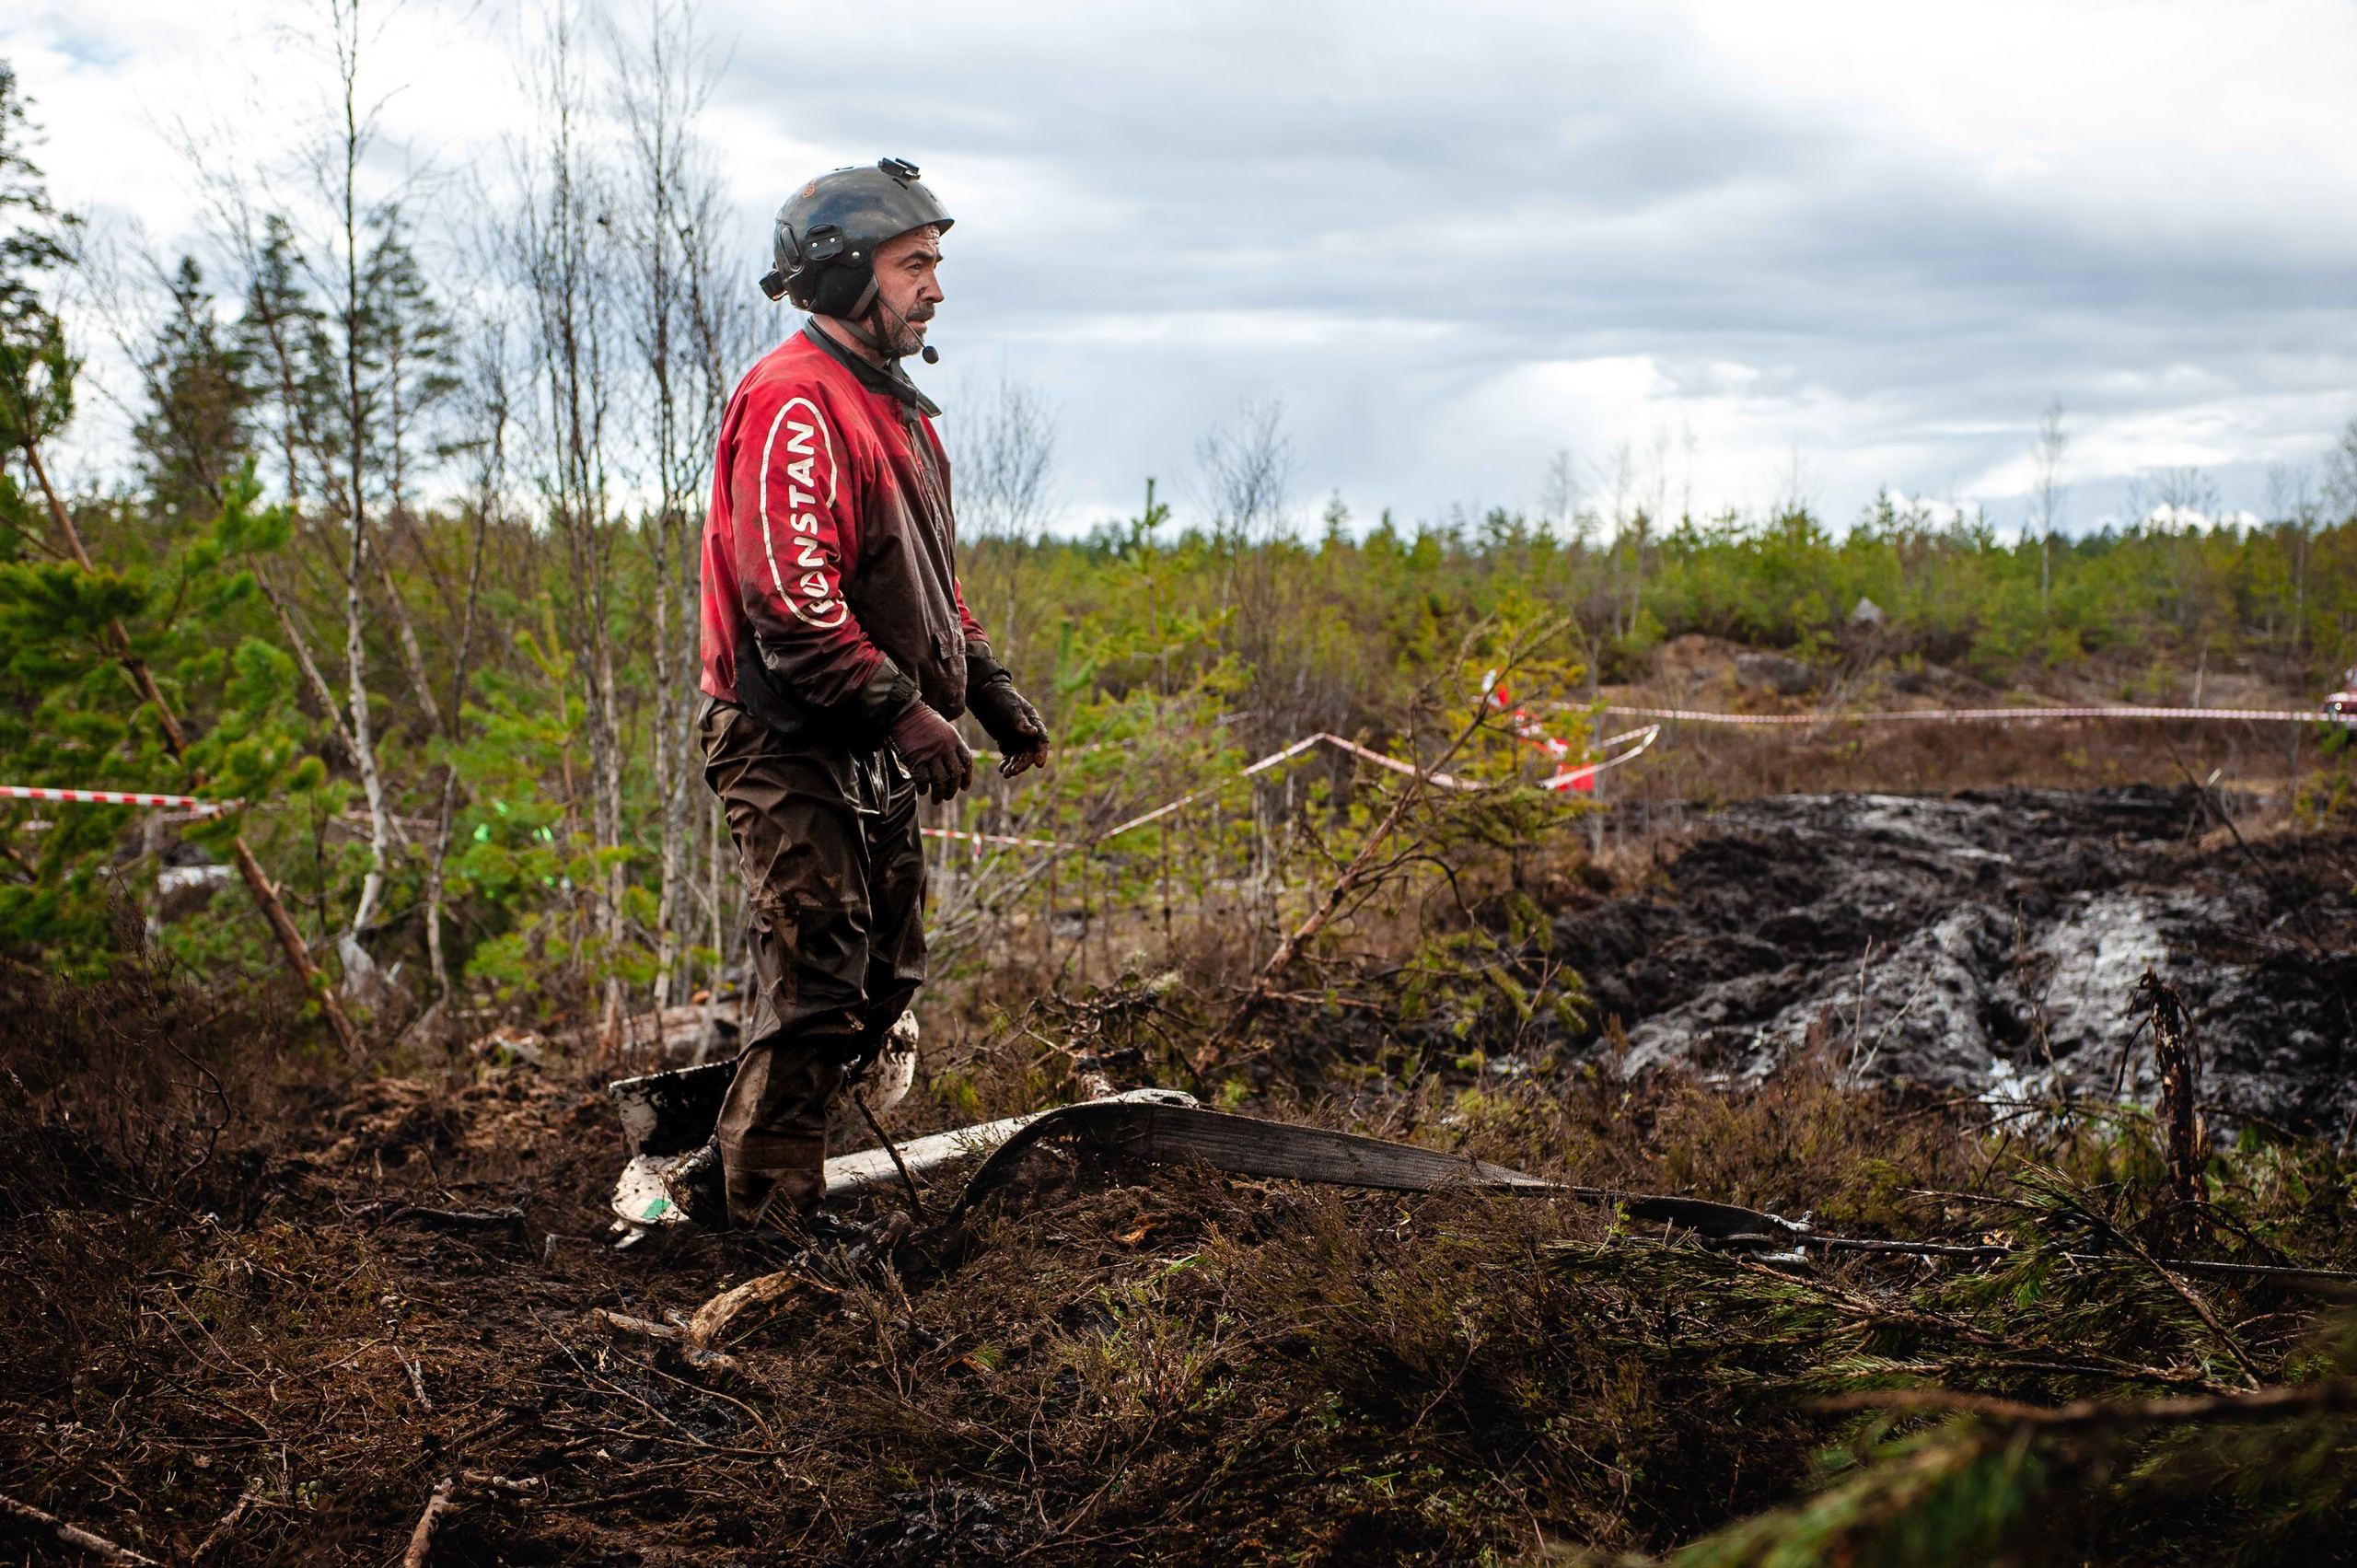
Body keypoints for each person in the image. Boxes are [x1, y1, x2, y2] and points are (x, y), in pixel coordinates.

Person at [692, 157, 1051, 1228]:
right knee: (820, 969)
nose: (934, 286)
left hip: (865, 733)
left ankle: (733, 1163)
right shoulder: (796, 401)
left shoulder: (899, 411)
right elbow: (790, 607)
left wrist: (984, 689)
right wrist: (904, 707)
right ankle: (766, 1225)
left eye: (936, 263)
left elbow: (930, 588)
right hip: (785, 729)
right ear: (848, 276)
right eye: (913, 265)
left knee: (884, 973)